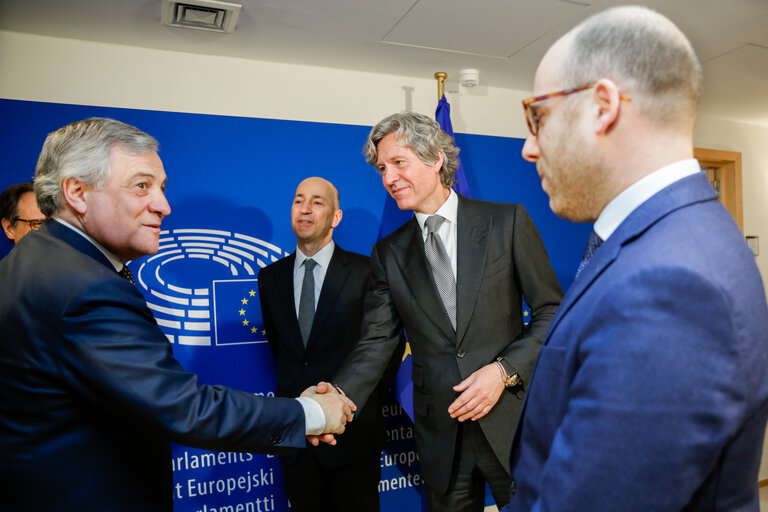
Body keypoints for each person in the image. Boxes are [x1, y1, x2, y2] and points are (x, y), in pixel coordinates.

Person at [0, 118, 355, 512]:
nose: (163, 206)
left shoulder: (33, 260)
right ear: (77, 192)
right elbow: (184, 408)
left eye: (162, 188)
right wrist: (310, 413)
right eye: (141, 186)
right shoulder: (82, 286)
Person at [505, 6, 768, 511]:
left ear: (603, 106)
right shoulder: (649, 240)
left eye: (537, 117)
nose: (528, 147)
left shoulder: (672, 283)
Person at [325, 112, 563, 511]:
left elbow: (552, 311)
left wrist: (503, 371)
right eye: (383, 168)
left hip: (510, 421)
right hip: (442, 436)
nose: (389, 178)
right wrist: (338, 394)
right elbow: (377, 341)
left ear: (435, 158)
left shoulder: (506, 221)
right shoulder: (388, 254)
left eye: (399, 163)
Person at [259, 176, 398, 512]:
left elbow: (383, 350)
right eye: (298, 200)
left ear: (336, 217)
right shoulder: (270, 277)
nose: (305, 209)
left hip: (352, 438)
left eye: (317, 202)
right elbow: (282, 351)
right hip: (296, 440)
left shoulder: (367, 272)